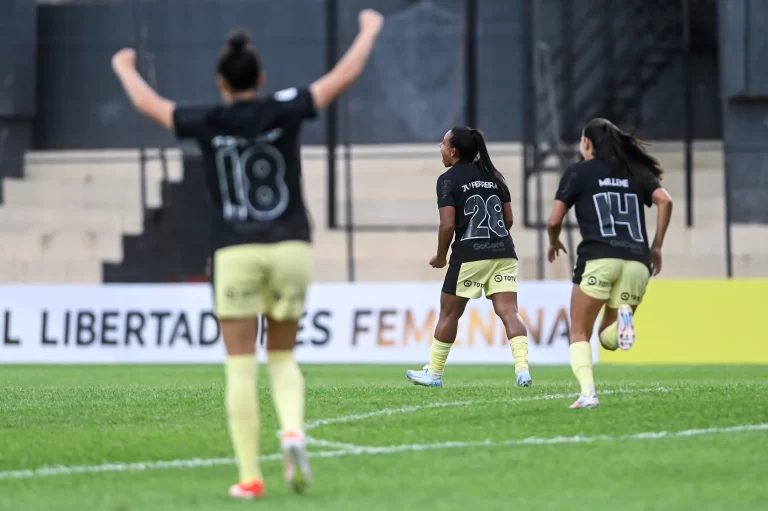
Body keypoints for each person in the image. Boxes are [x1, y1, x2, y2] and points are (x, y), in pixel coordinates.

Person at [111, 10, 385, 499]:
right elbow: (342, 76)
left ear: (221, 82)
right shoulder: (284, 108)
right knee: (283, 358)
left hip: (235, 250)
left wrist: (126, 66)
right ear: (260, 78)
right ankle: (294, 431)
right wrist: (367, 30)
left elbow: (151, 104)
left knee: (240, 366)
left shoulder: (207, 119)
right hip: (291, 246)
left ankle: (249, 476)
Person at [547, 118, 673, 409]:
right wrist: (656, 247)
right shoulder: (635, 171)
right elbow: (665, 201)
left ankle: (588, 394)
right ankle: (624, 319)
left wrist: (554, 241)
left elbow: (554, 220)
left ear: (587, 143)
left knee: (579, 331)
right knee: (609, 338)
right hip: (637, 262)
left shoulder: (578, 172)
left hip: (599, 258)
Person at [406, 126, 532, 388]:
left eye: (442, 143)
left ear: (453, 151)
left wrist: (441, 257)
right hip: (504, 252)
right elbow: (508, 219)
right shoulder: (495, 177)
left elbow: (447, 226)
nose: (440, 148)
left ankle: (435, 374)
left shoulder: (447, 179)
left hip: (469, 255)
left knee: (449, 314)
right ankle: (522, 370)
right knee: (510, 312)